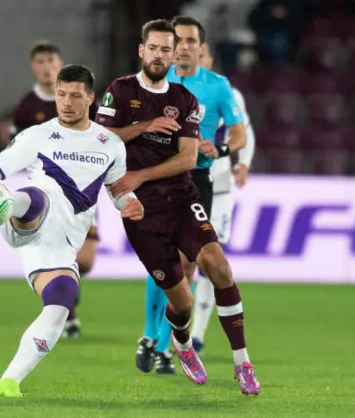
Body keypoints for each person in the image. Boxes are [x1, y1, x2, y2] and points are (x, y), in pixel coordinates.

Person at [0, 65, 144, 398]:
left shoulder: (111, 145)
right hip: (27, 218)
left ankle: (10, 380)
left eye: (75, 96)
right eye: (61, 94)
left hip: (58, 247)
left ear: (91, 98)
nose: (66, 102)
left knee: (61, 302)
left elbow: (119, 191)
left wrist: (130, 204)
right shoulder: (38, 135)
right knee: (32, 198)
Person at [96, 19, 261, 395]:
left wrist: (142, 173)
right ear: (142, 51)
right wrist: (145, 126)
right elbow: (101, 137)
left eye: (166, 49)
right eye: (152, 48)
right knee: (181, 302)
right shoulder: (120, 91)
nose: (159, 55)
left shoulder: (187, 100)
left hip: (183, 197)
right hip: (139, 209)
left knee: (218, 266)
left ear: (176, 54)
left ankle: (242, 363)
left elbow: (188, 159)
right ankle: (181, 343)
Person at [136, 15, 248, 375]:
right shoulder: (153, 81)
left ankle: (168, 346)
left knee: (187, 266)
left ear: (202, 48)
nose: (182, 47)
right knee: (165, 265)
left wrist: (223, 150)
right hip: (157, 180)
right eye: (177, 40)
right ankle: (151, 337)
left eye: (189, 41)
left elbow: (239, 134)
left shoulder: (216, 86)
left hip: (195, 179)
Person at [13, 41, 100, 338]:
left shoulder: (80, 98)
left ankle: (68, 294)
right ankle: (66, 314)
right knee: (59, 254)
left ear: (60, 63)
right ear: (32, 67)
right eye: (40, 61)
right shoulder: (26, 108)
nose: (46, 66)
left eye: (51, 60)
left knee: (85, 261)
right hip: (48, 193)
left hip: (83, 190)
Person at [191, 48, 257, 354]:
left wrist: (243, 162)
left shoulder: (225, 91)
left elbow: (245, 132)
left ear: (209, 59)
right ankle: (169, 335)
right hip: (187, 184)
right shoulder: (174, 91)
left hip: (220, 187)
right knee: (184, 260)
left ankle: (198, 331)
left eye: (202, 54)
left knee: (211, 262)